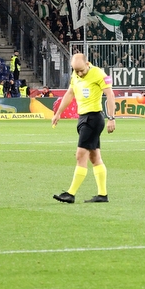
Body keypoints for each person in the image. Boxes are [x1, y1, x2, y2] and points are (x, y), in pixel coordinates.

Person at [52, 52, 116, 204]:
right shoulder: (75, 75)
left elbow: (110, 95)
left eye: (81, 70)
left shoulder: (99, 74)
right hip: (83, 118)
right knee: (95, 157)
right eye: (76, 70)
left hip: (93, 118)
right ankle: (102, 195)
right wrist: (58, 113)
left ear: (87, 64)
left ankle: (71, 193)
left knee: (81, 155)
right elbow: (69, 93)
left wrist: (112, 118)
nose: (79, 73)